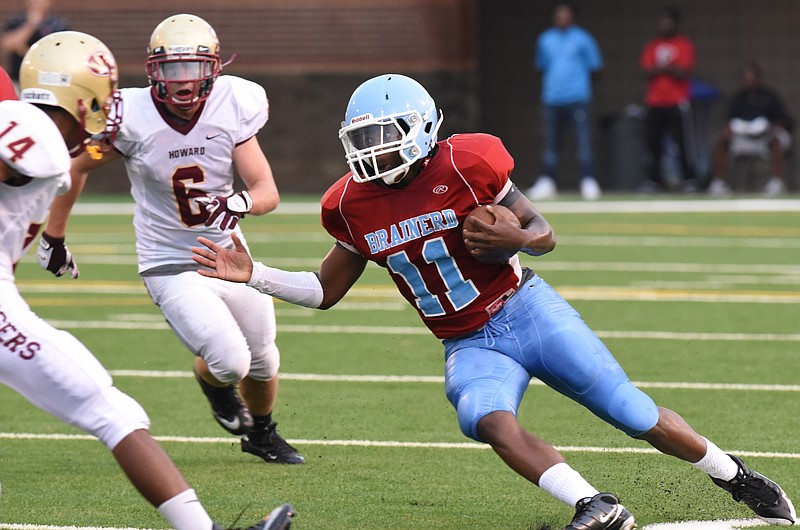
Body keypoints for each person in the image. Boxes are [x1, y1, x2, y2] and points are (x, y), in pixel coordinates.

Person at [193, 73, 796, 529]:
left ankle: (735, 476)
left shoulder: (468, 160)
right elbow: (326, 291)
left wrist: (518, 238)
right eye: (364, 140)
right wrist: (256, 275)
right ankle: (595, 504)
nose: (374, 151)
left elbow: (544, 234)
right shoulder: (349, 203)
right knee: (482, 418)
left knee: (630, 411)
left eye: (387, 135)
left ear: (423, 128)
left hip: (525, 310)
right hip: (466, 340)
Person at [1, 31, 294, 530]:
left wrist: (53, 238)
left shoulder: (45, 140)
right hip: (163, 262)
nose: (105, 117)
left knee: (118, 407)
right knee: (111, 407)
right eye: (100, 100)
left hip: (220, 255)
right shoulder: (38, 139)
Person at [527, 2, 603, 201]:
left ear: (573, 17)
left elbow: (596, 69)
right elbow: (540, 67)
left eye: (565, 14)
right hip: (552, 99)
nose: (561, 18)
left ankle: (588, 180)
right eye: (558, 15)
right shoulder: (545, 39)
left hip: (578, 99)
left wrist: (580, 87)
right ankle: (548, 181)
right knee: (550, 143)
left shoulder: (583, 38)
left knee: (584, 142)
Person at [708, 61, 793, 196]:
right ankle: (719, 183)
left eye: (752, 78)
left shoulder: (770, 96)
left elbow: (786, 120)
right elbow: (728, 121)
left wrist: (773, 126)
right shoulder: (738, 98)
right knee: (721, 141)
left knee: (777, 139)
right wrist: (728, 129)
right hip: (742, 139)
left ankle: (776, 182)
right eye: (746, 79)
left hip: (765, 139)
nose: (749, 82)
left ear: (758, 78)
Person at [639, 7, 698, 193]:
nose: (664, 25)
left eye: (668, 21)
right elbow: (648, 70)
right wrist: (669, 68)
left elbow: (684, 71)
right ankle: (654, 180)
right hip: (655, 101)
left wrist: (665, 68)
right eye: (661, 21)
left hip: (677, 101)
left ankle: (689, 179)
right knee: (653, 143)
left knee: (682, 143)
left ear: (675, 23)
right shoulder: (652, 46)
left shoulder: (684, 45)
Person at [1, 0, 68, 88]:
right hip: (18, 80)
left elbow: (61, 52)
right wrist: (31, 25)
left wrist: (23, 49)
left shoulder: (57, 24)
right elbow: (7, 45)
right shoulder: (16, 20)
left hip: (48, 81)